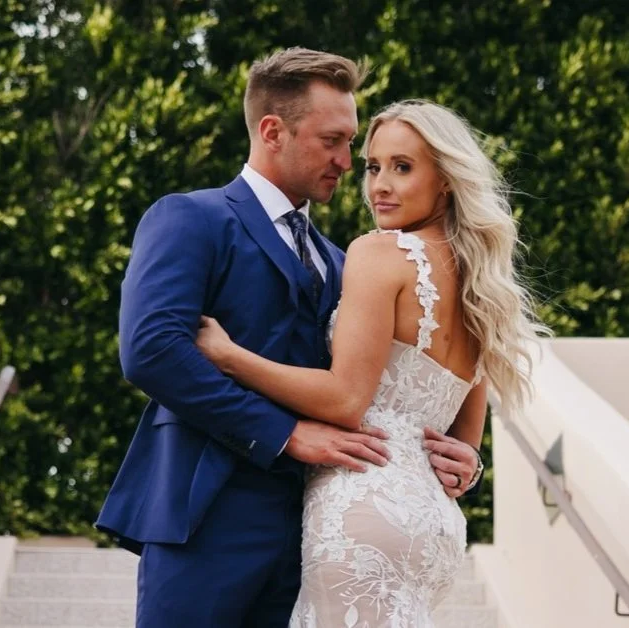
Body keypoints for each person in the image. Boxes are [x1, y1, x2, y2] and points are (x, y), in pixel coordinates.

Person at [95, 49, 480, 627]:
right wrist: (285, 434)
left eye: (354, 144)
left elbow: (386, 379)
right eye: (334, 141)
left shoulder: (345, 259)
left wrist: (466, 457)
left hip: (317, 532)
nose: (349, 163)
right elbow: (151, 350)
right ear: (273, 131)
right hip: (205, 519)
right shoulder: (190, 218)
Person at [196, 99, 546, 626]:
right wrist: (469, 465)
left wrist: (230, 357)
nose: (380, 185)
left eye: (402, 168)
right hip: (435, 524)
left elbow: (346, 398)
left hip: (362, 503)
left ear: (446, 180)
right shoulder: (481, 289)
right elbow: (463, 441)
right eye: (373, 167)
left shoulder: (379, 253)